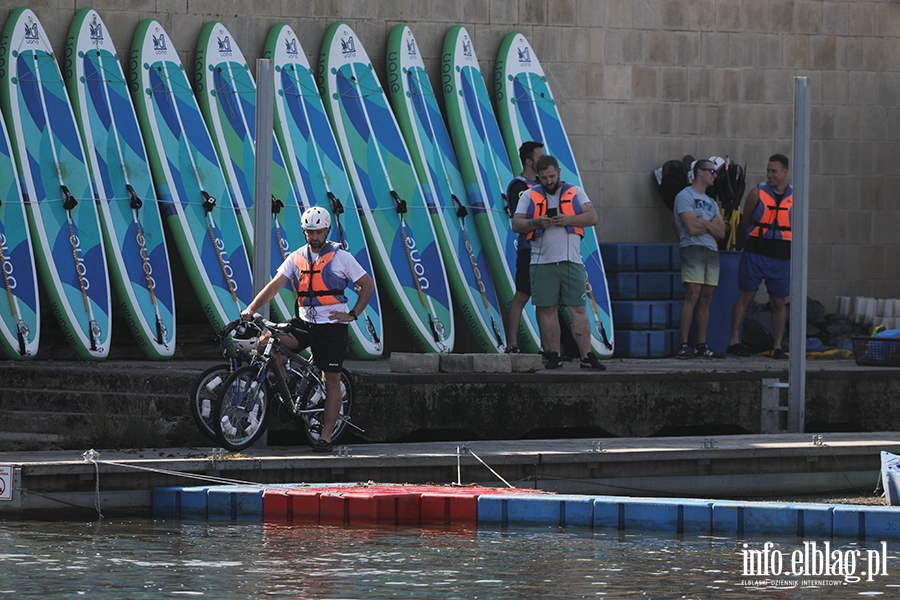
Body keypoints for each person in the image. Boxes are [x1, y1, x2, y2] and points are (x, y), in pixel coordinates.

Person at [240, 206, 375, 452]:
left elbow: (367, 285)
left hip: (331, 327)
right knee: (265, 344)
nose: (314, 237)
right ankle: (289, 383)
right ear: (304, 232)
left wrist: (353, 314)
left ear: (327, 231)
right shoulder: (296, 257)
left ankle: (325, 436)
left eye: (318, 232)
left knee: (331, 379)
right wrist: (251, 307)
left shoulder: (341, 257)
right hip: (303, 323)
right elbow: (273, 286)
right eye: (309, 232)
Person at [511, 154, 605, 370]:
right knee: (547, 308)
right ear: (538, 177)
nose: (549, 182)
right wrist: (537, 222)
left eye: (552, 176)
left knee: (578, 309)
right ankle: (554, 353)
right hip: (541, 262)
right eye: (544, 178)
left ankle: (586, 355)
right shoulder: (529, 195)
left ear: (558, 172)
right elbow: (516, 224)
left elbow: (592, 218)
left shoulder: (575, 192)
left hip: (572, 260)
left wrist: (568, 220)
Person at [727, 154, 792, 359]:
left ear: (784, 172)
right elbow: (745, 221)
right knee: (746, 296)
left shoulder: (795, 197)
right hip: (755, 253)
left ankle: (778, 346)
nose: (769, 174)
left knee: (778, 302)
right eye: (768, 171)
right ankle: (734, 341)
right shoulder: (757, 193)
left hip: (780, 256)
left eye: (774, 171)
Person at [674, 159, 727, 358]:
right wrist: (708, 224)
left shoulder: (712, 202)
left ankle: (702, 345)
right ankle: (684, 343)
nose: (714, 175)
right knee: (693, 294)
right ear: (699, 172)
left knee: (707, 297)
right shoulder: (685, 196)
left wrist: (703, 222)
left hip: (711, 250)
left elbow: (722, 232)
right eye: (711, 171)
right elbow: (691, 228)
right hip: (693, 248)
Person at [504, 141, 543, 355]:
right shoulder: (518, 186)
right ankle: (511, 344)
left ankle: (548, 348)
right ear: (529, 161)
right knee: (522, 295)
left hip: (548, 250)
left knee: (545, 299)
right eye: (540, 157)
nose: (544, 161)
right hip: (528, 248)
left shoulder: (546, 184)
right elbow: (522, 216)